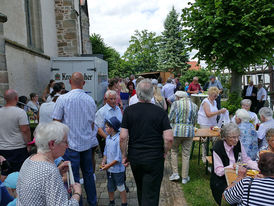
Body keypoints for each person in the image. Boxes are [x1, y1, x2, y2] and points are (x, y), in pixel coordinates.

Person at [120, 79, 173, 206]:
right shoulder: (160, 112)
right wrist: (165, 152)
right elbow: (169, 138)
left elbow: (123, 137)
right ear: (152, 93)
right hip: (155, 158)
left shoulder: (128, 111)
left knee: (141, 188)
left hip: (136, 157)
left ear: (137, 93)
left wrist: (124, 155)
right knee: (152, 192)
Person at [52, 72, 97, 206]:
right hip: (86, 145)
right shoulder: (90, 100)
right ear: (83, 83)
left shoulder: (62, 99)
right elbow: (92, 124)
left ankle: (77, 202)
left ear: (70, 82)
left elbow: (56, 123)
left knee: (73, 178)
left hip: (69, 146)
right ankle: (93, 202)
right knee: (88, 175)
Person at [16, 121, 81, 206]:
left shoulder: (29, 160)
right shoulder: (49, 171)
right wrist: (77, 193)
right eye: (65, 142)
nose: (67, 146)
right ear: (52, 144)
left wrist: (57, 171)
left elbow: (39, 183)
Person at [210, 123, 258, 206]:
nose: (236, 140)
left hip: (237, 175)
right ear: (225, 137)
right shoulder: (217, 148)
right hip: (221, 179)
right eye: (233, 137)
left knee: (251, 188)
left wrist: (259, 167)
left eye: (238, 136)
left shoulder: (238, 143)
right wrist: (232, 166)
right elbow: (218, 171)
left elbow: (246, 160)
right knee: (237, 192)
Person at [0, 90, 31, 181]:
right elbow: (25, 130)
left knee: (4, 172)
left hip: (2, 148)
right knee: (21, 173)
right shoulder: (20, 112)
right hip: (18, 148)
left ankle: (3, 191)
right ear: (16, 98)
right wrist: (28, 143)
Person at [168, 91, 198, 184]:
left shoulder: (175, 104)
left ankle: (175, 173)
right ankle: (185, 178)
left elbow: (170, 117)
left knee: (174, 151)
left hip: (176, 131)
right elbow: (194, 120)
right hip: (189, 132)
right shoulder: (194, 106)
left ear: (179, 97)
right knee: (186, 154)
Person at [101, 117, 127, 206]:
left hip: (118, 170)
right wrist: (104, 161)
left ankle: (124, 203)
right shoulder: (108, 138)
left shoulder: (118, 140)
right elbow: (105, 152)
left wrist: (107, 166)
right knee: (110, 187)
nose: (105, 129)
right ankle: (111, 202)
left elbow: (118, 158)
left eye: (106, 127)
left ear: (112, 128)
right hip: (109, 170)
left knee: (120, 186)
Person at [197, 87, 226, 162]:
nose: (215, 97)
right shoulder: (205, 102)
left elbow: (214, 112)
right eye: (214, 96)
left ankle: (214, 155)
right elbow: (208, 114)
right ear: (209, 94)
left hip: (213, 123)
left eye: (216, 96)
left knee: (215, 139)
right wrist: (219, 111)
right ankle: (204, 156)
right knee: (205, 140)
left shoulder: (215, 102)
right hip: (204, 122)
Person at [95, 90, 122, 156]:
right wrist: (109, 140)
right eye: (111, 99)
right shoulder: (102, 111)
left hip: (119, 139)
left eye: (115, 99)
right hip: (107, 140)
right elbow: (99, 129)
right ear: (106, 99)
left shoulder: (118, 109)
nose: (113, 101)